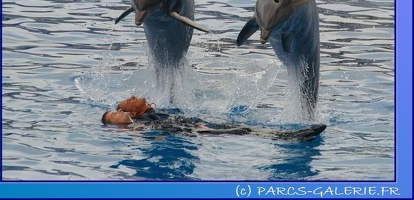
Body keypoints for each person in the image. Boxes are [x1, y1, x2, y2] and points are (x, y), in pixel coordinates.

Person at [101, 96, 326, 141]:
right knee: (241, 132)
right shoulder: (137, 126)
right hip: (195, 131)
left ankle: (285, 135)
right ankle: (289, 137)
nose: (131, 97)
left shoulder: (148, 114)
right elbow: (157, 134)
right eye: (117, 112)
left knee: (242, 127)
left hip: (196, 125)